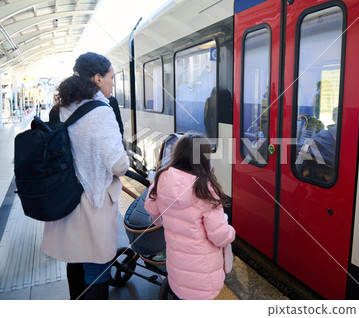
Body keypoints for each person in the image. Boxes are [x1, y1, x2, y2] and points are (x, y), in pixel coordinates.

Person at [41, 52, 129, 300]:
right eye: (111, 78)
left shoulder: (61, 108)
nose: (113, 83)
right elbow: (118, 164)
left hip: (66, 199)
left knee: (75, 261)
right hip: (93, 203)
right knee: (96, 267)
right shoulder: (101, 111)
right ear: (98, 78)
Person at [144, 133, 235, 300]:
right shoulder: (204, 189)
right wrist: (230, 231)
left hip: (177, 271)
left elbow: (151, 208)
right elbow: (220, 236)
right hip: (203, 277)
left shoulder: (162, 179)